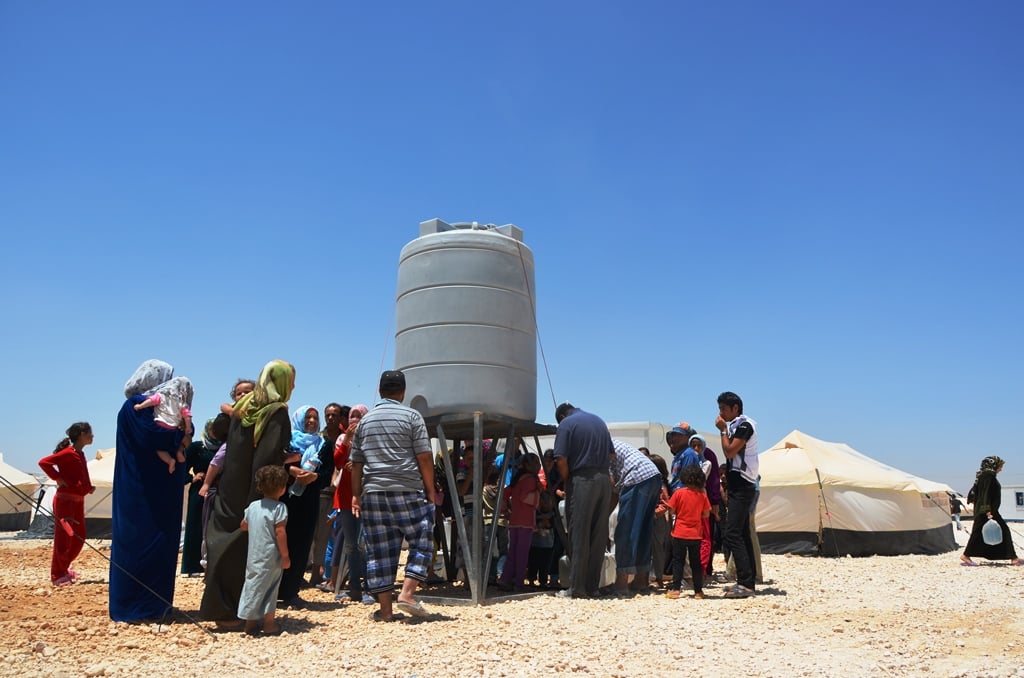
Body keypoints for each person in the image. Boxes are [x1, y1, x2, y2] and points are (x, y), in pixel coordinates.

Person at [200, 359, 295, 630]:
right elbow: (267, 457)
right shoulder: (275, 411)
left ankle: (220, 609)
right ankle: (244, 614)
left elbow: (218, 431)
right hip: (253, 491)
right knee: (248, 552)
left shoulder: (242, 407)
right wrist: (264, 497)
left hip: (229, 486)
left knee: (222, 544)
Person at [351, 370, 436, 622]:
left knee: (379, 551)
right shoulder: (412, 416)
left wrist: (356, 495)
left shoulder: (365, 422)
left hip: (374, 492)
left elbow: (356, 464)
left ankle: (386, 612)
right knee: (422, 538)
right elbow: (424, 456)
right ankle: (407, 594)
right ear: (403, 391)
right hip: (407, 489)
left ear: (379, 391)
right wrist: (430, 490)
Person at [110, 360, 190, 622]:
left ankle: (158, 605)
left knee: (163, 545)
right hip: (141, 489)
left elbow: (184, 431)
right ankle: (133, 608)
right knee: (139, 544)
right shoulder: (135, 406)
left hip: (163, 486)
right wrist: (178, 435)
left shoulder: (167, 404)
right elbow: (150, 436)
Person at [552, 402, 613, 599]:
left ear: (561, 416)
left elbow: (560, 458)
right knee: (598, 535)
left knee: (579, 533)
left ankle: (576, 588)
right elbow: (611, 454)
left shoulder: (566, 424)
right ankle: (592, 587)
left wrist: (569, 481)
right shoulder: (599, 421)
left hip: (583, 479)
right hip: (604, 479)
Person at [277, 405, 328, 608]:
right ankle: (272, 591)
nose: (312, 421)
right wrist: (292, 471)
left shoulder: (323, 444)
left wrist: (314, 476)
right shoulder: (287, 441)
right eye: (308, 417)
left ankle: (291, 591)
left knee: (301, 545)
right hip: (285, 499)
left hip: (309, 501)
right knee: (280, 543)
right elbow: (277, 462)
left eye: (315, 418)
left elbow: (328, 471)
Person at [38, 422, 95, 586]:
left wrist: (87, 487)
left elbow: (79, 474)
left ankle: (63, 568)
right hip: (65, 501)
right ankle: (57, 574)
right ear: (81, 435)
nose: (92, 436)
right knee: (64, 537)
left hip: (78, 500)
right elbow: (44, 462)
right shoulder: (68, 453)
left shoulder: (79, 453)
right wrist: (57, 478)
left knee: (79, 536)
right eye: (90, 433)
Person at [714, 391, 760, 598]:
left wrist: (723, 431)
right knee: (741, 534)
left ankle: (745, 581)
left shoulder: (744, 425)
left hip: (743, 483)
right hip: (737, 483)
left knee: (732, 532)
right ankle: (747, 581)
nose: (721, 413)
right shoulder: (736, 425)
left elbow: (730, 452)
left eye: (724, 408)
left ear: (735, 408)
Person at [238, 465, 291, 636]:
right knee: (271, 588)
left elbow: (243, 526)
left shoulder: (253, 506)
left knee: (253, 585)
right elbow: (280, 532)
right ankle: (269, 624)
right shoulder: (279, 508)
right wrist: (285, 556)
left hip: (254, 555)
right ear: (282, 488)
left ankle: (250, 622)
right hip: (271, 555)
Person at [330, 404, 373, 603]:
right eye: (352, 416)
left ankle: (369, 586)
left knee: (365, 543)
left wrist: (359, 468)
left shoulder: (370, 438)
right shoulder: (342, 439)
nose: (354, 419)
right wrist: (347, 440)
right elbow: (337, 462)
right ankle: (355, 586)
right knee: (350, 545)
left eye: (358, 416)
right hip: (346, 497)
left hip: (365, 496)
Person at [609, 438, 662, 593]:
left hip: (637, 477)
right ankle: (640, 582)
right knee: (643, 531)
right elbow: (615, 492)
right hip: (653, 476)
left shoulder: (598, 445)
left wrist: (602, 514)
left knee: (626, 530)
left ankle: (621, 583)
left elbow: (611, 483)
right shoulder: (611, 442)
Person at [180, 415, 228, 576]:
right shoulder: (197, 447)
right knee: (195, 526)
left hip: (220, 490)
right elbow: (182, 466)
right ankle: (191, 566)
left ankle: (211, 565)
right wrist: (191, 478)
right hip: (199, 491)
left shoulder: (225, 447)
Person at [310, 403, 347, 589]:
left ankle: (321, 572)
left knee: (328, 535)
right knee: (316, 533)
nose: (331, 418)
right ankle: (315, 572)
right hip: (319, 490)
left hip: (338, 492)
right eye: (328, 415)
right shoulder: (320, 438)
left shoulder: (345, 437)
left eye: (335, 415)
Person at [960, 456, 1023, 567]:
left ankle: (1013, 557)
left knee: (979, 533)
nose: (1001, 469)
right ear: (993, 465)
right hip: (987, 510)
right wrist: (987, 510)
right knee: (1002, 530)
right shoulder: (988, 476)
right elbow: (985, 493)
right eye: (1000, 466)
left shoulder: (984, 475)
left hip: (986, 510)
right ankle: (1013, 558)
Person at [665, 463, 710, 600]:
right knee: (695, 563)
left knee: (678, 561)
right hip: (695, 534)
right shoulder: (702, 496)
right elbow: (706, 514)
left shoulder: (679, 493)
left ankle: (676, 589)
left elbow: (671, 510)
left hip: (679, 533)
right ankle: (698, 591)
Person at [133, 376, 194, 473]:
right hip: (174, 429)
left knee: (159, 449)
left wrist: (140, 406)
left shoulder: (160, 396)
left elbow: (151, 401)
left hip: (161, 427)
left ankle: (170, 461)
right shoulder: (182, 403)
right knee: (175, 445)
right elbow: (187, 415)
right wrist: (188, 427)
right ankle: (178, 452)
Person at [498, 454, 541, 591]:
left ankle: (506, 579)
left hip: (514, 520)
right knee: (522, 553)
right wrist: (538, 493)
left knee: (513, 552)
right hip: (526, 520)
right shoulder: (530, 479)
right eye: (536, 463)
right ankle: (519, 583)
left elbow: (505, 494)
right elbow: (525, 497)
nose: (539, 466)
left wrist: (506, 509)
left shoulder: (517, 480)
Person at [667, 423, 699, 493]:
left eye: (679, 435)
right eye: (673, 435)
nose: (675, 438)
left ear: (688, 437)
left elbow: (687, 480)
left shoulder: (688, 454)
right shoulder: (678, 455)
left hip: (683, 495)